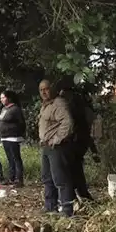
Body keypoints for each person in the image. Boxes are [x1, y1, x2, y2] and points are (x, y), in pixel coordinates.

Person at [39, 79, 77, 216]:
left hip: (57, 147)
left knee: (60, 178)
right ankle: (50, 206)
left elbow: (67, 123)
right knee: (47, 178)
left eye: (46, 88)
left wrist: (57, 139)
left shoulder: (58, 104)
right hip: (46, 146)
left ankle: (67, 209)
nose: (44, 92)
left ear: (52, 89)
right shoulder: (45, 105)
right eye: (41, 89)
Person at [60, 86, 96, 201]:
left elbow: (77, 127)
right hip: (80, 142)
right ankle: (81, 194)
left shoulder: (71, 108)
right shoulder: (82, 107)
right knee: (76, 169)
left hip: (74, 142)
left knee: (72, 170)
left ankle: (76, 196)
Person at [0, 90, 26, 186]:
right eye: (1, 98)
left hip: (13, 137)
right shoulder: (4, 109)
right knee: (10, 159)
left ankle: (19, 179)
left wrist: (17, 132)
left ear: (9, 98)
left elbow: (22, 123)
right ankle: (12, 177)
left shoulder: (15, 109)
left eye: (3, 97)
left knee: (16, 158)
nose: (1, 99)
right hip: (5, 137)